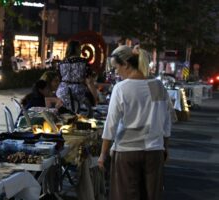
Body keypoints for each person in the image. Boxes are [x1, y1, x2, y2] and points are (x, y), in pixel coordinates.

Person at [98, 45, 171, 200]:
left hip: (126, 152)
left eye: (116, 67)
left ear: (126, 64)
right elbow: (166, 122)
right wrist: (165, 146)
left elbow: (111, 124)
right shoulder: (157, 86)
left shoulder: (121, 89)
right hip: (154, 151)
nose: (116, 72)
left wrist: (103, 155)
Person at [56, 40, 97, 112]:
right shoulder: (84, 62)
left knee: (64, 117)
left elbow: (59, 80)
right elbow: (89, 81)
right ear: (77, 49)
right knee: (80, 116)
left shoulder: (61, 63)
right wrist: (95, 98)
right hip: (79, 95)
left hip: (63, 94)